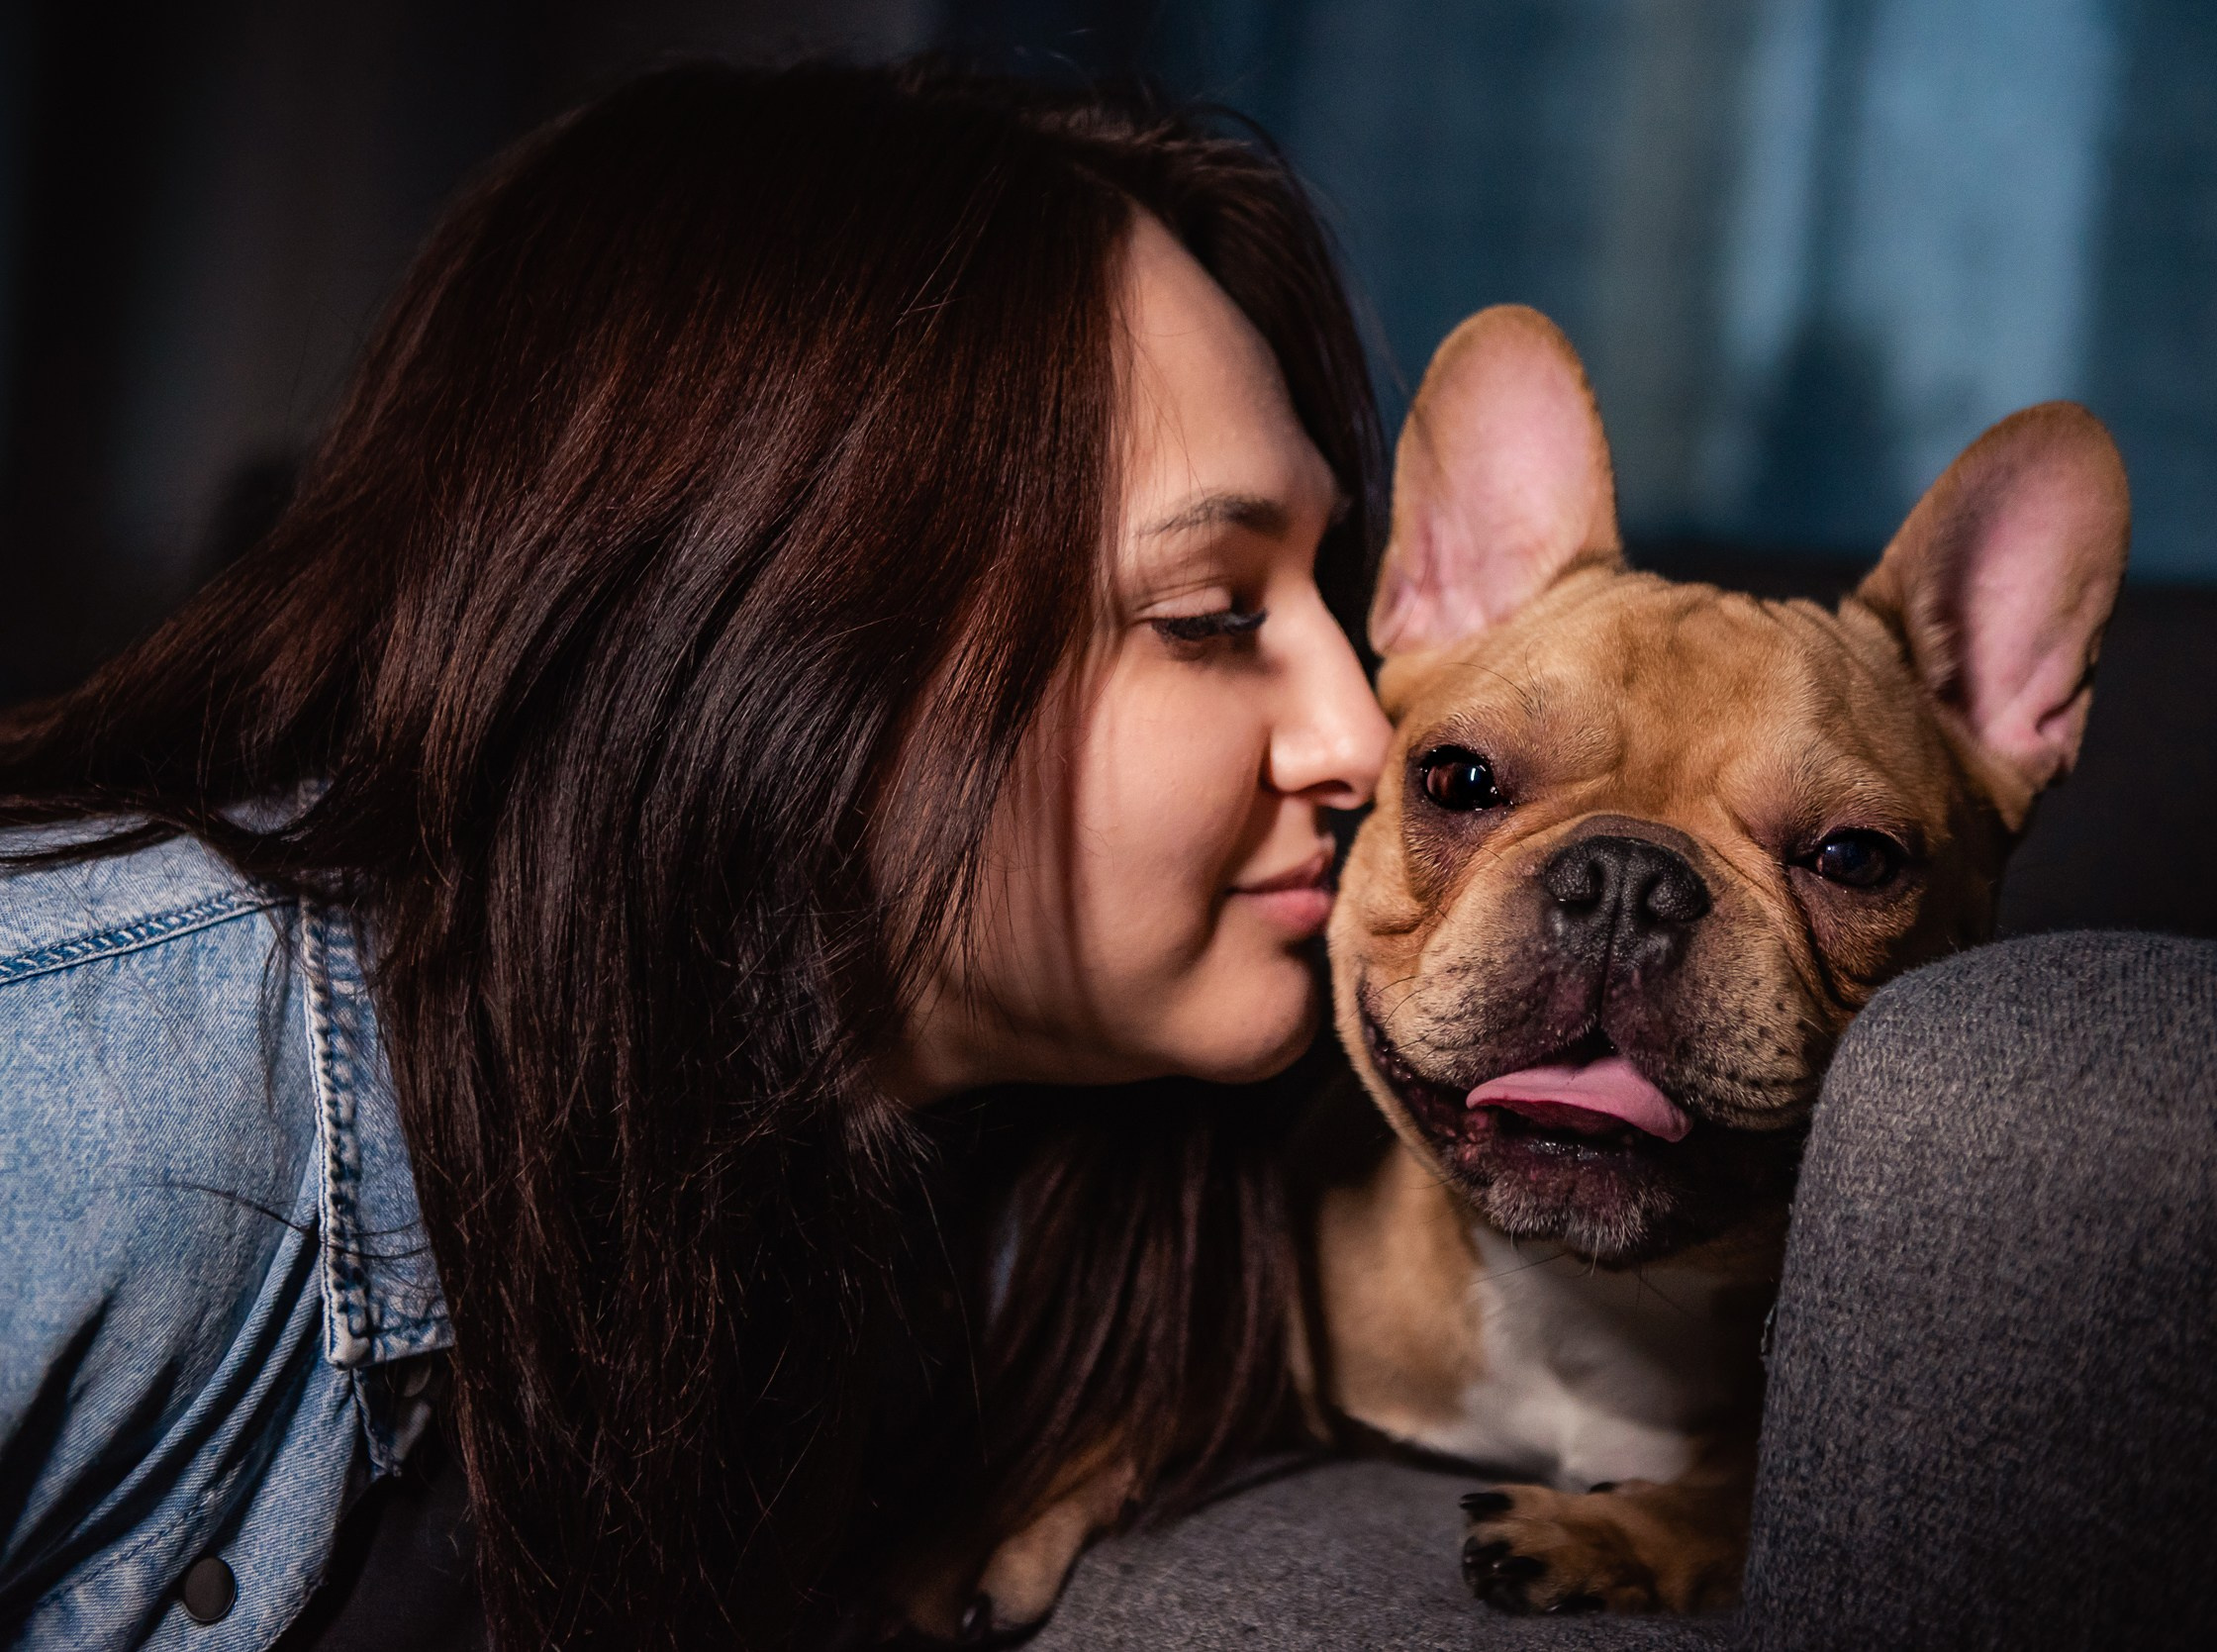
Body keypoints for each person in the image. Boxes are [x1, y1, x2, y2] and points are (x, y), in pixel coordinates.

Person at [0, 60, 1390, 1649]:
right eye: (1212, 613)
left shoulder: (986, 1234)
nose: (1359, 733)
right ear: (799, 629)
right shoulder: (100, 1079)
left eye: (1328, 593)